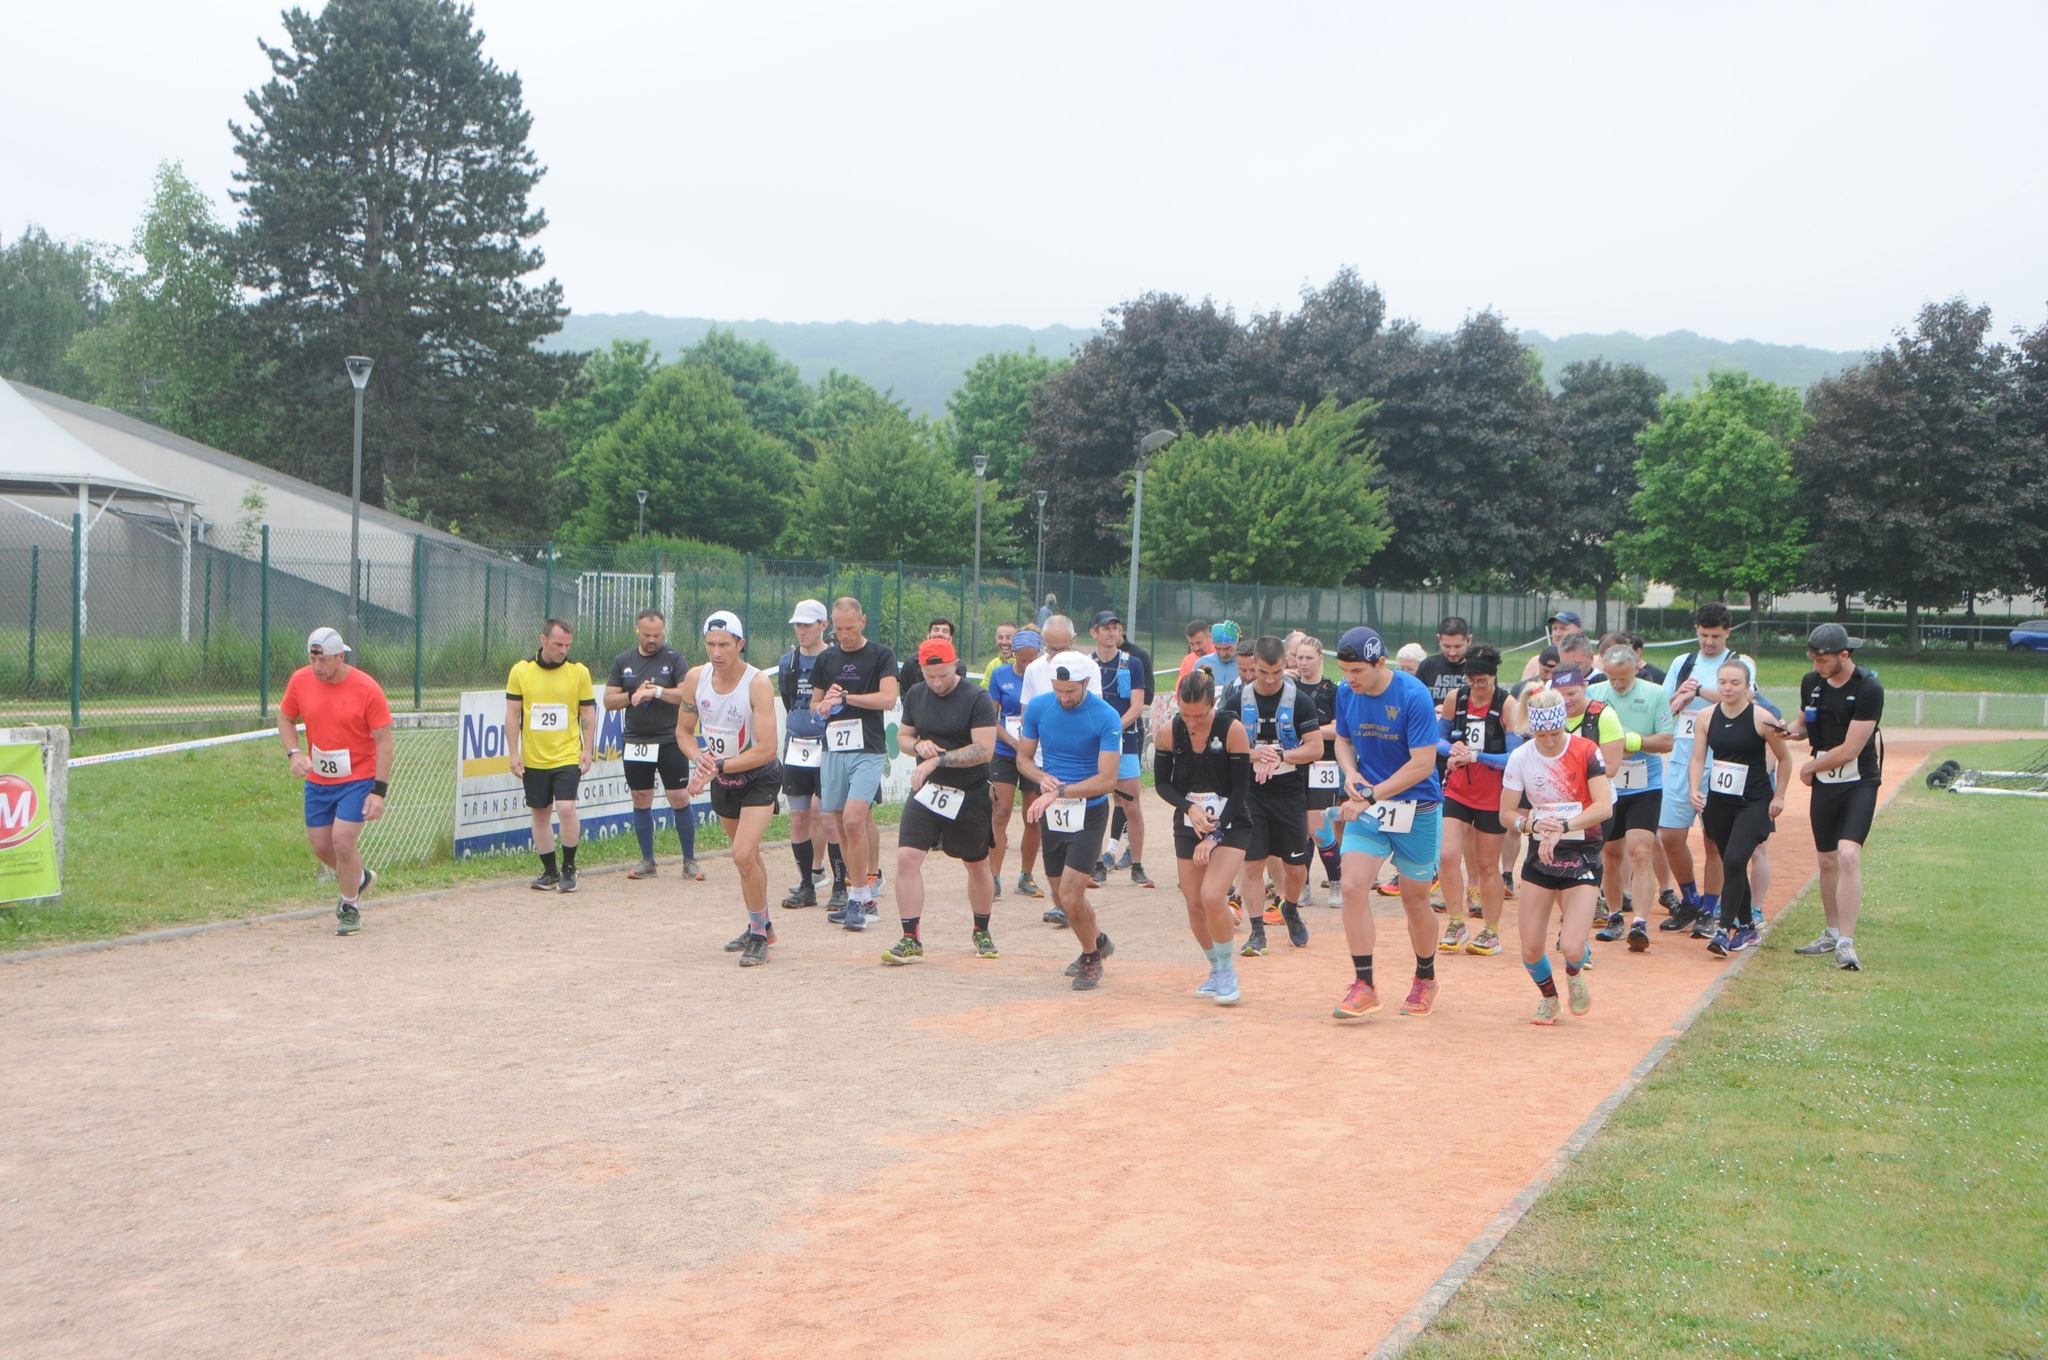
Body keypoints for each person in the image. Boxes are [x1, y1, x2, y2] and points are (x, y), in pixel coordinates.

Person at [1328, 626, 1447, 1021]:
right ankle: (1364, 984)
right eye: (1345, 671)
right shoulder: (1347, 693)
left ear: (1382, 663)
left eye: (1358, 670)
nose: (1350, 679)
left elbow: (1423, 764)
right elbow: (1342, 740)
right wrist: (1349, 773)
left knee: (1415, 900)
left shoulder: (1413, 696)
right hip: (1370, 807)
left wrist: (1371, 795)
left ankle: (1425, 977)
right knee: (1352, 886)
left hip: (1417, 807)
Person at [1501, 686, 1615, 1024]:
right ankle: (1549, 999)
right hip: (1542, 857)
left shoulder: (1586, 751)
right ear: (1530, 728)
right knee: (1531, 948)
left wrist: (1562, 826)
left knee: (1572, 947)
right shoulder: (1521, 757)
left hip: (1583, 853)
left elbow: (1604, 807)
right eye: (1541, 734)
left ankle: (1575, 972)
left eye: (1555, 733)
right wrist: (1531, 824)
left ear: (1565, 724)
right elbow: (1506, 813)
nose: (1549, 741)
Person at [886, 637, 1003, 964]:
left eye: (943, 675)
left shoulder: (976, 698)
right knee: (907, 858)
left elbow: (984, 751)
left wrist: (939, 759)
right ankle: (910, 937)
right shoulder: (915, 694)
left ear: (955, 665)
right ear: (921, 670)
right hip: (928, 790)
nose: (936, 683)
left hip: (969, 792)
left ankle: (981, 929)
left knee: (977, 865)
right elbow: (903, 737)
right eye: (929, 675)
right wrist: (918, 746)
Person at [676, 612, 783, 968]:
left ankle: (756, 936)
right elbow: (683, 732)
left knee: (741, 854)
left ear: (740, 644)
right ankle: (763, 925)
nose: (716, 652)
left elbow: (767, 748)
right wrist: (702, 760)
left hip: (759, 777)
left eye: (724, 644)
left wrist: (717, 766)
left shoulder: (757, 684)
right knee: (748, 858)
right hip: (723, 780)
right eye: (710, 644)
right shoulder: (696, 678)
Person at [1015, 656, 1124, 990]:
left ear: (1087, 684)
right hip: (1054, 808)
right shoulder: (1038, 708)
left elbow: (1107, 780)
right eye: (1058, 690)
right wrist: (1042, 778)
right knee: (1059, 895)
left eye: (1071, 691)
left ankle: (1090, 958)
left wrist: (1060, 789)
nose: (1064, 697)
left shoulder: (1106, 716)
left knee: (1072, 895)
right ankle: (1098, 939)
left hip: (1088, 810)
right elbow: (1023, 759)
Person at [278, 626, 392, 936]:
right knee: (320, 845)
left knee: (343, 840)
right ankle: (359, 878)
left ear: (341, 657)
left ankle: (349, 906)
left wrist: (379, 792)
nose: (317, 667)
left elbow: (383, 741)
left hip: (358, 776)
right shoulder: (300, 681)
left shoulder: (366, 688)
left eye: (324, 660)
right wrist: (293, 754)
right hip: (319, 779)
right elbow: (286, 717)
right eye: (313, 659)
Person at [1784, 623, 1881, 971]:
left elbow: (1851, 749)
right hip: (1826, 782)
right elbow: (1802, 725)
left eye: (1823, 660)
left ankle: (1846, 943)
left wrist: (1811, 768)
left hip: (1859, 781)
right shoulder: (1813, 683)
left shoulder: (1868, 688)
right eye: (1813, 659)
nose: (1817, 666)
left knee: (1848, 855)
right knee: (1826, 859)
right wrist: (1784, 731)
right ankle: (1830, 931)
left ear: (1844, 654)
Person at [1657, 603, 1757, 936]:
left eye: (1715, 636)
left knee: (1714, 840)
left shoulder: (1741, 664)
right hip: (1684, 759)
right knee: (1670, 835)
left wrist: (1698, 691)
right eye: (1703, 635)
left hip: (1724, 763)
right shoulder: (1683, 662)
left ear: (1728, 632)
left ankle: (1710, 910)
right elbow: (1667, 699)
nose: (1709, 642)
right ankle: (1690, 900)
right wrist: (1679, 697)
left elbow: (1737, 698)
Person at [1154, 668, 1253, 1004]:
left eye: (1199, 715)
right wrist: (1189, 808)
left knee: (1213, 895)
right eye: (1185, 714)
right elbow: (1162, 784)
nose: (1192, 722)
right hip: (1189, 825)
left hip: (1231, 821)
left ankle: (1227, 970)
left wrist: (1216, 834)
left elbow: (1241, 789)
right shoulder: (1168, 731)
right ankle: (1214, 968)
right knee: (1194, 902)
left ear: (1213, 705)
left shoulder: (1233, 730)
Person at [1220, 635, 1324, 953]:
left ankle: (1289, 908)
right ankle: (1256, 931)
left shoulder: (1300, 701)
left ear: (1285, 666)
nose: (1269, 679)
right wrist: (1255, 755)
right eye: (1262, 671)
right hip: (1251, 792)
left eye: (1276, 672)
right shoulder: (1238, 700)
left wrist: (1281, 755)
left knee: (1296, 868)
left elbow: (1316, 747)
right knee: (1253, 864)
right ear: (1253, 667)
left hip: (1290, 791)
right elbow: (1223, 745)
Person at [1688, 657, 1793, 957]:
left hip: (1754, 801)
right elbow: (1698, 758)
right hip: (1719, 802)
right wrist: (1694, 789)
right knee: (1732, 864)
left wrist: (1779, 796)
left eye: (1735, 683)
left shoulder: (1762, 718)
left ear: (1748, 688)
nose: (1728, 688)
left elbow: (1784, 759)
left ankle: (1724, 930)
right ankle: (1747, 927)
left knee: (1734, 861)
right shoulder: (1706, 716)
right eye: (1723, 682)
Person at [810, 597, 900, 930]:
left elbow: (888, 699)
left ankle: (863, 897)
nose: (844, 634)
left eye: (850, 627)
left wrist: (847, 698)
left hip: (869, 749)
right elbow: (814, 705)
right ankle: (858, 898)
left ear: (863, 621)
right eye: (838, 628)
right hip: (833, 748)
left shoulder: (881, 655)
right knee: (838, 822)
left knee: (853, 820)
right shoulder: (826, 658)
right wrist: (824, 706)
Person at [1589, 643, 1675, 950]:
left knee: (1640, 852)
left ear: (1636, 667)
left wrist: (1634, 740)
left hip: (1645, 784)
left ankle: (1640, 922)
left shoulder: (1655, 693)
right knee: (1610, 855)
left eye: (1623, 677)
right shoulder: (1595, 694)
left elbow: (1667, 740)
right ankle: (1614, 916)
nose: (1617, 684)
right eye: (1612, 677)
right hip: (1608, 785)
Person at [604, 609, 701, 882]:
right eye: (647, 635)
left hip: (670, 739)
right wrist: (633, 695)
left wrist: (656, 691)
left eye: (657, 635)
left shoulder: (674, 658)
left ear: (663, 632)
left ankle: (689, 862)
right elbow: (609, 700)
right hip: (636, 740)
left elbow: (686, 692)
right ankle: (648, 861)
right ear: (638, 631)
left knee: (679, 797)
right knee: (641, 798)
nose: (652, 640)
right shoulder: (623, 660)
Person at [1436, 644, 1519, 956]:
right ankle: (1456, 922)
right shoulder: (1455, 699)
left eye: (1482, 681)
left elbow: (1513, 756)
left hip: (1493, 795)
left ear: (1494, 677)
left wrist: (1477, 756)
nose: (1476, 687)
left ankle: (1491, 930)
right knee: (1447, 855)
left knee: (1487, 865)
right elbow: (1437, 739)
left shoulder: (1507, 704)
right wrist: (1451, 751)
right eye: (1471, 680)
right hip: (1457, 789)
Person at [506, 618, 597, 893]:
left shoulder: (579, 672)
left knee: (566, 808)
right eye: (558, 644)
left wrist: (587, 749)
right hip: (534, 758)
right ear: (543, 639)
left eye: (567, 645)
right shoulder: (521, 671)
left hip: (567, 755)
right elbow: (512, 714)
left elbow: (588, 713)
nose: (563, 650)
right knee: (540, 813)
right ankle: (549, 871)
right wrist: (514, 753)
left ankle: (569, 868)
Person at [776, 599, 848, 912]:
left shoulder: (835, 660)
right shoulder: (787, 662)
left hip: (829, 745)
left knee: (830, 817)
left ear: (823, 626)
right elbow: (789, 700)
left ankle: (840, 886)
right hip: (796, 745)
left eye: (808, 624)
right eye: (797, 625)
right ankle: (807, 885)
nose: (801, 630)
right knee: (800, 817)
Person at [1087, 609, 1153, 889]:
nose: (1112, 632)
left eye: (1116, 627)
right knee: (1093, 803)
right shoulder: (1086, 664)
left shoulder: (1132, 663)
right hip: (1093, 744)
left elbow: (1137, 706)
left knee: (1131, 803)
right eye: (1106, 628)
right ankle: (1095, 863)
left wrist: (1112, 730)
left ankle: (1136, 864)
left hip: (1124, 740)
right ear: (1095, 633)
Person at [987, 628, 1047, 901]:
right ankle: (994, 877)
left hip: (1035, 755)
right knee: (1000, 813)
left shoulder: (1046, 677)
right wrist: (1014, 743)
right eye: (1022, 659)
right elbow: (991, 717)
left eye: (1031, 659)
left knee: (1033, 816)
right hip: (1005, 751)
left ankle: (1026, 875)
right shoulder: (1000, 676)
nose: (1026, 665)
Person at [1289, 634, 1345, 910]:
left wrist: (1310, 732)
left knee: (1320, 828)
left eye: (1309, 657)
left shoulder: (1333, 691)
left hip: (1324, 763)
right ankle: (1304, 886)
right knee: (1299, 830)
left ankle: (1337, 882)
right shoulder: (1290, 689)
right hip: (1296, 763)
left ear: (1320, 659)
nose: (1303, 663)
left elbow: (1339, 729)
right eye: (1299, 657)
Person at [899, 617, 965, 696]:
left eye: (945, 631)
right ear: (928, 635)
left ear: (950, 639)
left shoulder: (958, 666)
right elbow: (905, 695)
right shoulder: (911, 663)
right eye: (936, 630)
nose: (940, 634)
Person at [1415, 616, 1472, 704]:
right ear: (1438, 639)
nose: (1452, 652)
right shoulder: (1428, 665)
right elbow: (1416, 700)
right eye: (1447, 646)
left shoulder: (1479, 667)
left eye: (1458, 646)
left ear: (1469, 640)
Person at [1520, 610, 1584, 681]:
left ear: (1579, 632)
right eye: (1554, 628)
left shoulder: (1589, 663)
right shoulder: (1536, 663)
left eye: (1563, 628)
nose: (1557, 634)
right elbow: (1522, 690)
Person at [1197, 620, 1242, 690]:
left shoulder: (1247, 664)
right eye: (1217, 648)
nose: (1222, 654)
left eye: (1227, 648)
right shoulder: (1202, 663)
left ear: (1237, 642)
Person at [1177, 619, 1214, 685]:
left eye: (1199, 643)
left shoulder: (1220, 655)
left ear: (1210, 637)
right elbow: (1180, 690)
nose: (1195, 648)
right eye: (1191, 644)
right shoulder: (1187, 660)